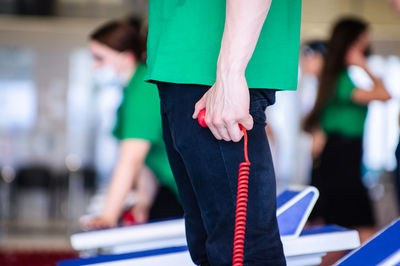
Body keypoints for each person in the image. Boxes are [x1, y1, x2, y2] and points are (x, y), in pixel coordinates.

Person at [146, 1, 301, 265]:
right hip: (182, 72)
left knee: (244, 252)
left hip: (210, 73)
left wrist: (230, 74)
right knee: (209, 249)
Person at [81, 18, 182, 230]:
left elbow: (131, 160)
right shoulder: (132, 89)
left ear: (126, 57)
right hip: (171, 187)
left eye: (100, 58)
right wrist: (143, 201)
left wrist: (108, 216)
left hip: (188, 193)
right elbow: (146, 161)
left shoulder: (143, 90)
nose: (94, 66)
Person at [304, 18, 391, 241]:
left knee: (341, 226)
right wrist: (364, 66)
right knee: (358, 227)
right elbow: (384, 95)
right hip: (341, 157)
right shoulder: (341, 79)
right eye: (362, 41)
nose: (366, 46)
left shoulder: (337, 78)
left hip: (342, 155)